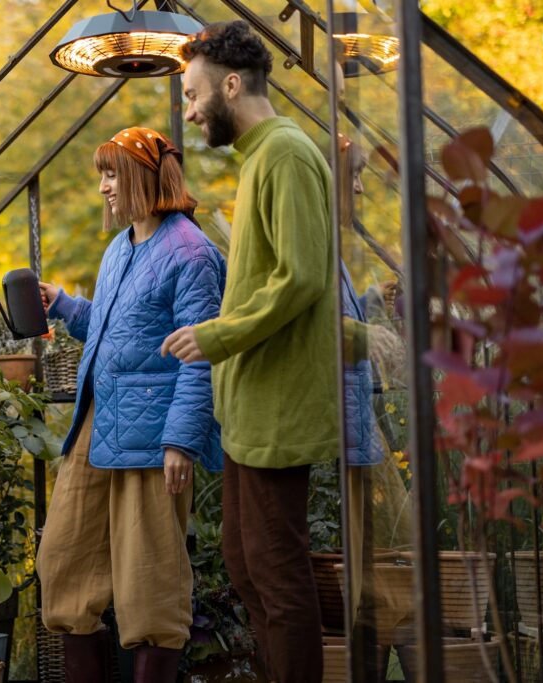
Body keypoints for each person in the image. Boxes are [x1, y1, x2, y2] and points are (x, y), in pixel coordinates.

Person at [162, 21, 339, 682]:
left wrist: (215, 336)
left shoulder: (287, 154)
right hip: (249, 416)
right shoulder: (261, 156)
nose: (188, 107)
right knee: (246, 566)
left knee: (279, 579)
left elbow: (300, 278)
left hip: (277, 414)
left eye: (192, 92)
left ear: (230, 85)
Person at [35, 126, 225, 683]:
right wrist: (66, 306)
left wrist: (181, 440)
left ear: (142, 176)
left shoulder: (191, 252)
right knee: (63, 566)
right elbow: (120, 334)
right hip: (98, 426)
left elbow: (202, 354)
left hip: (156, 437)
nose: (102, 188)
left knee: (150, 585)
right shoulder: (121, 248)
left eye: (111, 173)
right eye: (102, 175)